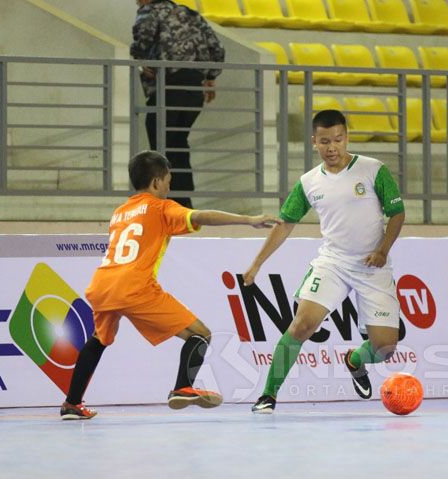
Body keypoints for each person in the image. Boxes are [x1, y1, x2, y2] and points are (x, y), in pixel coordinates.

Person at [59, 150, 280, 419]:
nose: (169, 186)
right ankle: (183, 387)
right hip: (134, 286)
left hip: (102, 284)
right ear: (155, 183)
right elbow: (200, 216)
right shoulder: (161, 207)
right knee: (201, 334)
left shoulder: (120, 212)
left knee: (99, 339)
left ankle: (72, 403)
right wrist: (248, 220)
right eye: (167, 181)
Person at [244, 109, 406, 414]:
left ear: (347, 138)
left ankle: (356, 360)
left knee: (385, 349)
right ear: (314, 142)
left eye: (338, 140)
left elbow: (397, 214)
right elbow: (285, 223)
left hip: (374, 266)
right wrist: (257, 264)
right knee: (302, 325)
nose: (332, 147)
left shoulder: (373, 170)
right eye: (325, 141)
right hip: (333, 263)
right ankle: (268, 395)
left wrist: (383, 250)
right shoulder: (308, 182)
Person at [130, 0, 225, 209]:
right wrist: (210, 76)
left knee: (160, 146)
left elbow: (141, 42)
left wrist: (140, 59)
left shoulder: (149, 12)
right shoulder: (188, 12)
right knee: (179, 143)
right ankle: (183, 202)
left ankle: (162, 203)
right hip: (194, 89)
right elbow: (216, 48)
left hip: (168, 86)